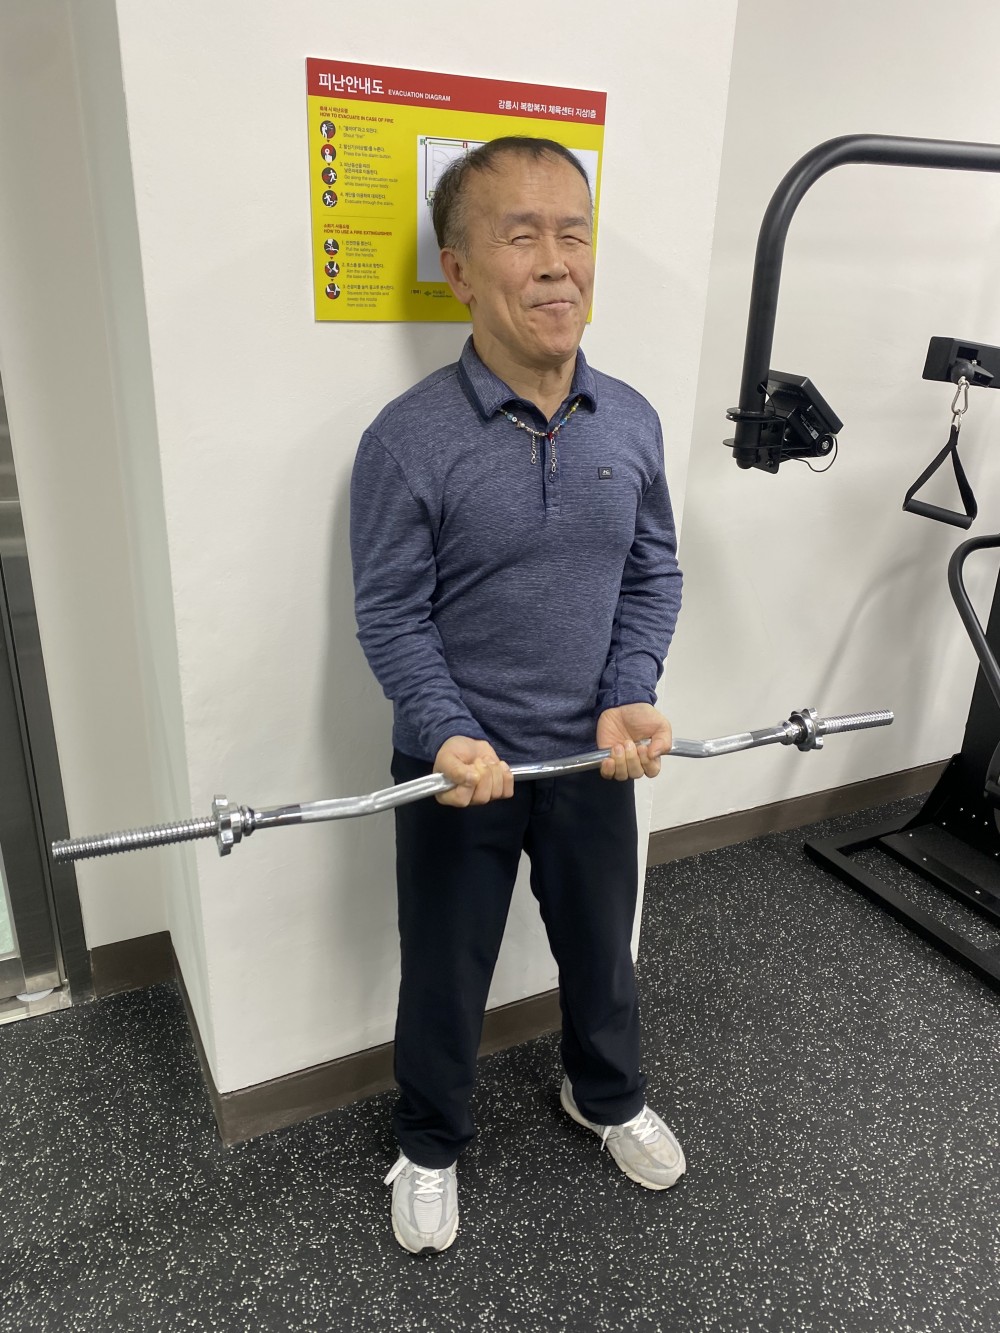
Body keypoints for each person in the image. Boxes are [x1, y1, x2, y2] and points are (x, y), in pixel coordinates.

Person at [350, 136, 684, 1255]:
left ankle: (605, 1094)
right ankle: (428, 1143)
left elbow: (652, 573)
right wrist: (447, 732)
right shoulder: (407, 441)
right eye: (521, 235)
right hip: (459, 769)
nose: (555, 261)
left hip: (592, 754)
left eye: (573, 233)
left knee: (601, 947)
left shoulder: (630, 419)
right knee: (445, 974)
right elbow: (391, 615)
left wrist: (628, 691)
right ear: (458, 269)